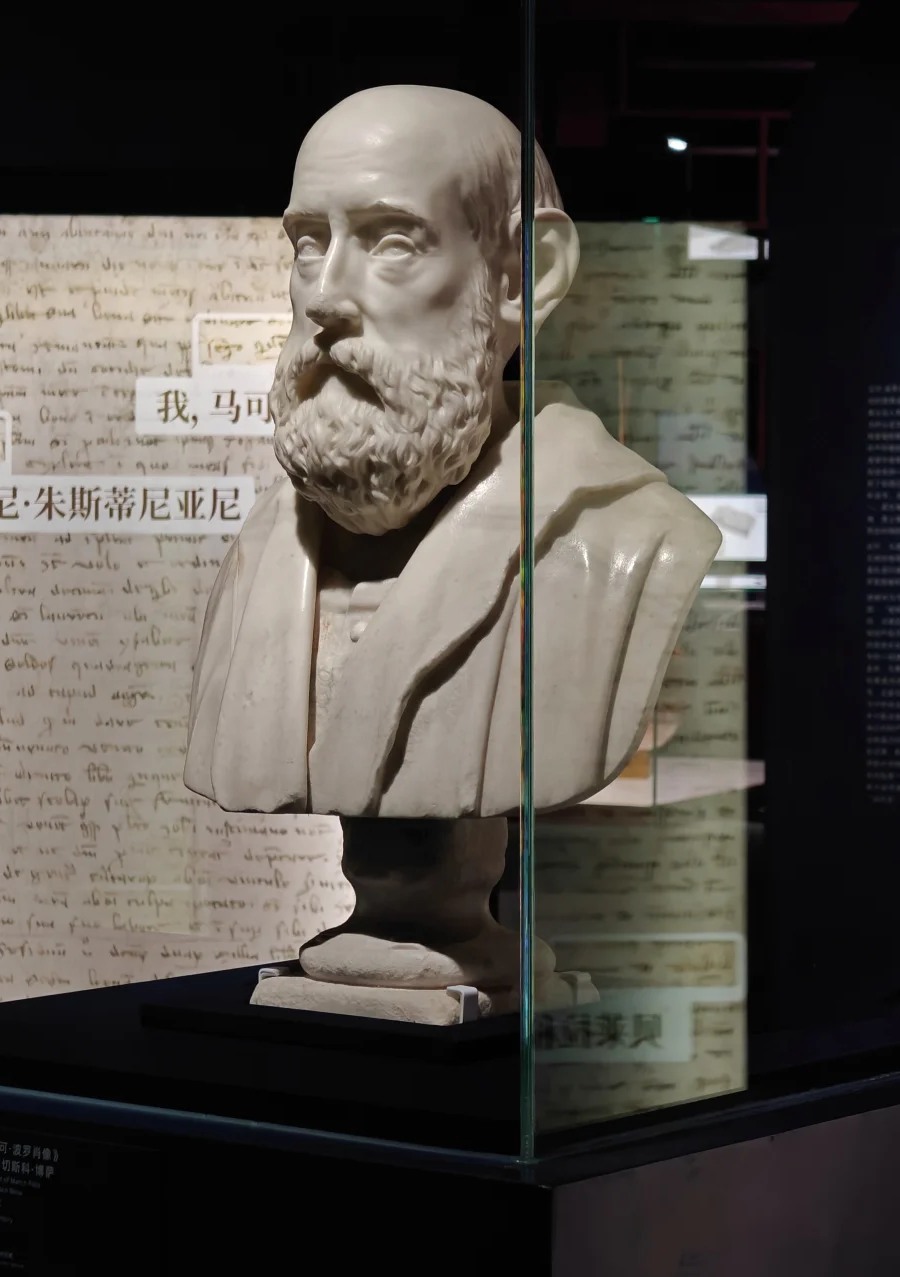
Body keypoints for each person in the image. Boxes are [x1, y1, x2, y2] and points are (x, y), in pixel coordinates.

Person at [185, 84, 720, 822]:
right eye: (309, 243)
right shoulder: (256, 555)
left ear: (526, 275)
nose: (324, 297)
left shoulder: (628, 550)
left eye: (392, 242)